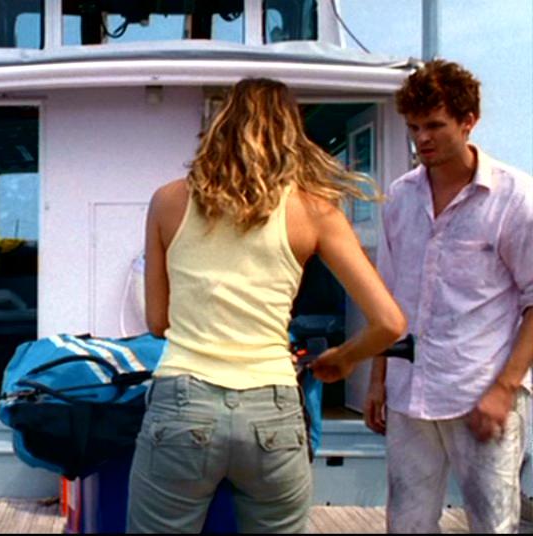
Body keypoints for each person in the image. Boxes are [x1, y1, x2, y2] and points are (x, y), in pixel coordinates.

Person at [126, 78, 407, 533]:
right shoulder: (316, 211)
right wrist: (343, 358)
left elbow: (158, 322)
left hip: (183, 402)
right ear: (290, 133)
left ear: (221, 125)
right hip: (271, 409)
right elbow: (389, 323)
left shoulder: (168, 201)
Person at [363, 60, 533, 533]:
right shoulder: (400, 197)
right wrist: (378, 380)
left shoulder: (515, 197)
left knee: (493, 526)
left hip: (481, 391)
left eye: (435, 125)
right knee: (406, 525)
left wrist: (504, 390)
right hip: (408, 394)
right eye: (414, 127)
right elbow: (388, 298)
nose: (422, 138)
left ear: (468, 121)